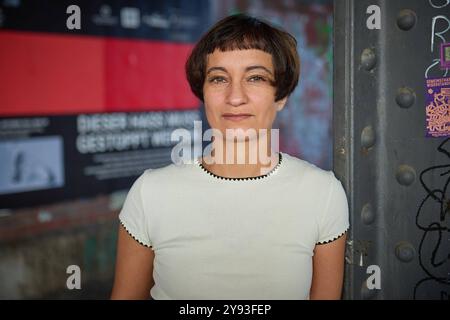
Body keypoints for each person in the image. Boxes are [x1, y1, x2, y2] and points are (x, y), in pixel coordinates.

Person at [111, 13, 349, 300]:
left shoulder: (322, 193)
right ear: (203, 92)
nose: (235, 97)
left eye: (256, 77)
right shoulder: (150, 193)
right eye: (219, 78)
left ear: (281, 95)